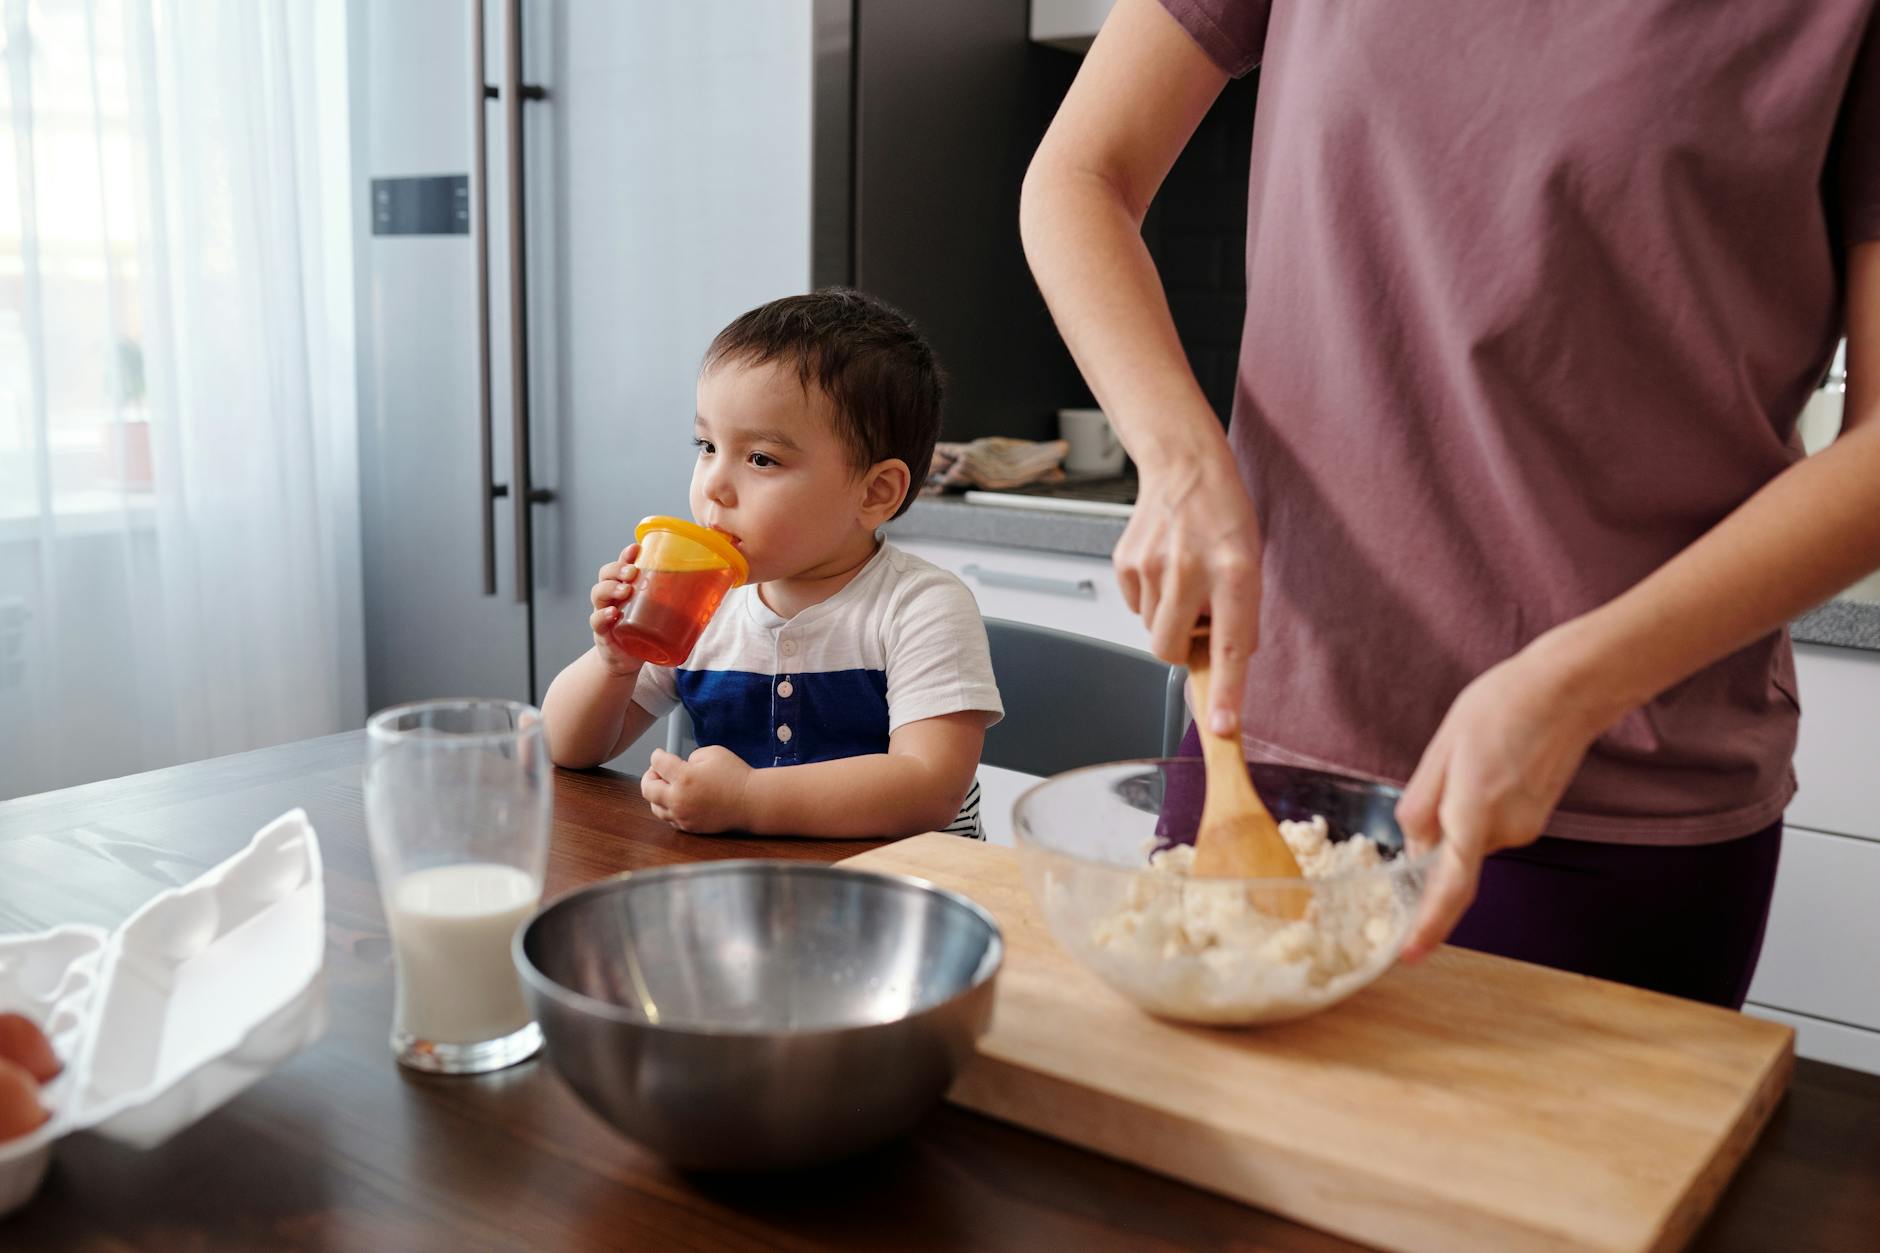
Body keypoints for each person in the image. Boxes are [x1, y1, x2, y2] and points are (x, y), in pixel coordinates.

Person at [1020, 0, 1880, 1006]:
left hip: (1610, 796)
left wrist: (1573, 684)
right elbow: (1079, 176)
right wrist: (1174, 456)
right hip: (1263, 754)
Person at [541, 289, 1003, 839]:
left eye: (761, 458)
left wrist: (748, 799)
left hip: (907, 898)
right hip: (754, 893)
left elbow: (928, 789)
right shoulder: (699, 604)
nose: (713, 483)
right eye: (707, 445)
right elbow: (566, 750)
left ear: (875, 492)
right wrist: (613, 666)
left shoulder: (922, 608)